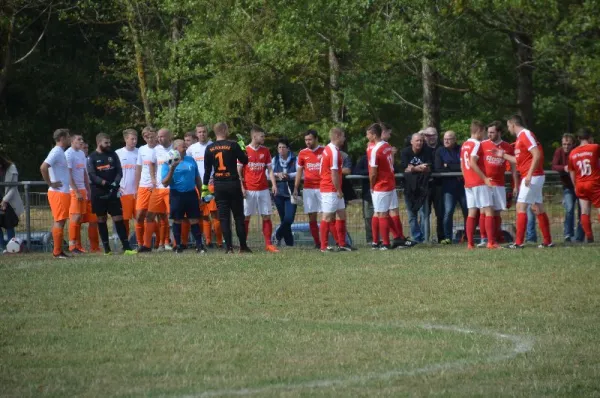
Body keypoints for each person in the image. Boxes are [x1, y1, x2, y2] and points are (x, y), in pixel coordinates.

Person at [495, 115, 554, 248]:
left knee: (520, 207)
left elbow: (537, 154)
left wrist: (529, 174)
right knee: (537, 207)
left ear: (513, 124)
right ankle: (548, 241)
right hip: (533, 176)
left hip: (532, 176)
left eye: (508, 126)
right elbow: (519, 161)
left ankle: (518, 242)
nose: (508, 128)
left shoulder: (525, 134)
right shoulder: (520, 138)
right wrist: (503, 155)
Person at [203, 122, 251, 254]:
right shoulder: (233, 145)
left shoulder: (209, 148)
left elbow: (207, 171)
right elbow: (245, 160)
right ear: (224, 130)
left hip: (219, 185)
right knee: (238, 216)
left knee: (223, 217)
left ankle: (229, 247)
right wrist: (242, 147)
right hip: (233, 183)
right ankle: (243, 246)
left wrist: (204, 188)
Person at [366, 123, 414, 250]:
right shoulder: (387, 146)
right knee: (384, 212)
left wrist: (371, 185)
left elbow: (373, 172)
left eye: (368, 134)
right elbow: (390, 163)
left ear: (374, 135)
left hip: (381, 185)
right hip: (390, 183)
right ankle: (392, 239)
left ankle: (385, 243)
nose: (366, 136)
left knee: (381, 213)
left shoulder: (375, 149)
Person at [87, 133, 136, 255]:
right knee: (101, 219)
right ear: (99, 143)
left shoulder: (113, 154)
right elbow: (92, 175)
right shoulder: (92, 157)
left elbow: (120, 170)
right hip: (99, 192)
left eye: (109, 142)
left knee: (118, 218)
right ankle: (107, 250)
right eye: (106, 143)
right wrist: (104, 183)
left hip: (113, 191)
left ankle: (127, 248)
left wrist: (115, 182)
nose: (109, 145)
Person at [238, 126, 279, 253]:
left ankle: (268, 244)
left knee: (266, 216)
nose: (264, 138)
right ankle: (243, 245)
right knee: (246, 217)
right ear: (254, 136)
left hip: (263, 189)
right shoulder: (244, 151)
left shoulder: (265, 151)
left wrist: (274, 184)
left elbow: (270, 170)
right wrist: (242, 187)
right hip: (249, 189)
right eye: (262, 136)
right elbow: (238, 171)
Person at [161, 139, 206, 253]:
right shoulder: (168, 162)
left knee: (194, 220)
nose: (186, 149)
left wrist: (202, 194)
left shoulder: (190, 160)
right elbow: (165, 183)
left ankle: (199, 246)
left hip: (191, 194)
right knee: (177, 220)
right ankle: (178, 246)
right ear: (176, 149)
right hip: (177, 195)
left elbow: (197, 178)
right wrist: (172, 169)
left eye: (186, 147)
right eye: (183, 147)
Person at [479, 121, 518, 246]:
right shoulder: (482, 145)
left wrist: (515, 185)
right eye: (488, 132)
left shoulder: (507, 147)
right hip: (485, 183)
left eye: (492, 132)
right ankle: (485, 238)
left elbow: (513, 168)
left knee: (497, 211)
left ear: (499, 132)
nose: (489, 134)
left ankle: (496, 236)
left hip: (499, 183)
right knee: (485, 210)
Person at [460, 120, 497, 249]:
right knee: (488, 210)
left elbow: (462, 165)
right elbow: (472, 162)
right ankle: (491, 242)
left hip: (468, 183)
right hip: (478, 181)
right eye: (484, 132)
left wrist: (466, 179)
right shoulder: (477, 144)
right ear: (479, 131)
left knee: (471, 212)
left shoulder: (464, 144)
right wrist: (485, 178)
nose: (485, 135)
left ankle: (470, 243)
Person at [187, 123, 223, 248]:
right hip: (198, 186)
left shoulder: (213, 146)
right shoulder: (191, 149)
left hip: (212, 185)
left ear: (207, 133)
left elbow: (219, 164)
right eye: (199, 132)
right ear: (196, 134)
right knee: (203, 215)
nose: (202, 134)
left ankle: (219, 241)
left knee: (215, 214)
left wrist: (216, 177)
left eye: (204, 131)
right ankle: (207, 241)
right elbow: (188, 167)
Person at [319, 127, 352, 252]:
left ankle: (342, 243)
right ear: (337, 136)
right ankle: (323, 246)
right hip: (330, 188)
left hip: (332, 188)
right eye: (343, 136)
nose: (344, 139)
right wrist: (338, 190)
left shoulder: (329, 149)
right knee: (327, 216)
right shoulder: (332, 151)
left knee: (341, 214)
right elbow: (333, 173)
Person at [40, 128, 72, 259]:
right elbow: (43, 167)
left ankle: (59, 250)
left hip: (62, 192)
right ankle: (57, 252)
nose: (70, 139)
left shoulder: (60, 152)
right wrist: (50, 183)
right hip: (58, 193)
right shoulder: (56, 152)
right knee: (59, 221)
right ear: (62, 138)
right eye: (68, 136)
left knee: (61, 221)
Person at [434, 130, 467, 244]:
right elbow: (438, 168)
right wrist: (457, 169)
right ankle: (448, 237)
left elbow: (465, 165)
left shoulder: (461, 149)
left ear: (455, 139)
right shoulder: (440, 151)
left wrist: (448, 165)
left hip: (463, 187)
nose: (446, 141)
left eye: (449, 139)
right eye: (445, 139)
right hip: (448, 188)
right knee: (448, 212)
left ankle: (468, 236)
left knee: (467, 211)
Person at [568, 128, 600, 242]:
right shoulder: (595, 147)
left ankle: (589, 237)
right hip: (594, 182)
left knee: (584, 211)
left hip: (580, 184)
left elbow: (571, 172)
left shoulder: (573, 152)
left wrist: (575, 185)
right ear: (590, 137)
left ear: (578, 139)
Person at [293, 130, 324, 248]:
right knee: (312, 216)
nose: (307, 142)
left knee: (326, 215)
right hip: (308, 189)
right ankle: (318, 243)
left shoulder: (324, 151)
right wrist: (296, 188)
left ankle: (330, 242)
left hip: (323, 188)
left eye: (310, 139)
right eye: (306, 140)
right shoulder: (302, 153)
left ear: (316, 139)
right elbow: (299, 172)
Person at [400, 132, 433, 243]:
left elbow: (428, 168)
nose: (420, 143)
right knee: (411, 214)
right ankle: (416, 237)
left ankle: (424, 238)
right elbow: (405, 168)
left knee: (425, 214)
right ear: (411, 142)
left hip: (423, 187)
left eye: (421, 141)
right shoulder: (405, 152)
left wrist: (413, 168)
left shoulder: (427, 151)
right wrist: (418, 168)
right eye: (417, 140)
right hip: (409, 188)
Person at [552, 133, 584, 243]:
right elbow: (554, 165)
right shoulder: (559, 151)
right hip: (567, 186)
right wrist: (564, 168)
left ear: (573, 144)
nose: (566, 147)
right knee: (569, 209)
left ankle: (580, 236)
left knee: (582, 211)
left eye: (568, 144)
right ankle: (568, 234)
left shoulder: (578, 152)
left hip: (580, 185)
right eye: (564, 144)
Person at [146, 128, 173, 251]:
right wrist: (153, 178)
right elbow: (151, 164)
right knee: (151, 215)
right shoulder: (156, 150)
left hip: (171, 188)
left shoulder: (175, 149)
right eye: (159, 136)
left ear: (169, 137)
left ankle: (170, 243)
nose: (159, 139)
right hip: (158, 189)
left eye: (162, 136)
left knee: (171, 217)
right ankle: (148, 245)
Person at [65, 133, 91, 254]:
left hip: (82, 189)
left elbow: (85, 173)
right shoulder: (69, 154)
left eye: (82, 139)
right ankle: (72, 245)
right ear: (72, 141)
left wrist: (87, 189)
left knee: (80, 218)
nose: (81, 141)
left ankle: (78, 245)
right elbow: (68, 174)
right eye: (78, 139)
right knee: (75, 217)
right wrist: (76, 190)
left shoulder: (81, 154)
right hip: (73, 190)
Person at [135, 127, 159, 252]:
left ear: (156, 136)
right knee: (139, 215)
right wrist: (136, 187)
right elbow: (138, 168)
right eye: (147, 137)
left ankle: (152, 243)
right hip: (143, 186)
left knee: (154, 216)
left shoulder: (160, 149)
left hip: (157, 187)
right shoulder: (141, 150)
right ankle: (139, 243)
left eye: (152, 136)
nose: (150, 139)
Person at [272, 138, 297, 246]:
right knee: (284, 220)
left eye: (283, 147)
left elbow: (301, 172)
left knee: (289, 218)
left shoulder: (295, 159)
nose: (281, 149)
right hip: (279, 192)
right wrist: (278, 174)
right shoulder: (275, 159)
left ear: (288, 149)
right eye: (279, 147)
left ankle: (277, 235)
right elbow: (268, 172)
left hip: (291, 193)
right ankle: (289, 244)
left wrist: (289, 175)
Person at [115, 129, 138, 241]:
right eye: (132, 139)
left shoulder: (140, 152)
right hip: (124, 192)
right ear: (125, 139)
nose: (134, 141)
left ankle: (141, 243)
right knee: (124, 219)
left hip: (138, 192)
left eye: (136, 139)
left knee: (140, 218)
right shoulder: (118, 153)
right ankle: (126, 242)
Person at [423, 126, 444, 243]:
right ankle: (424, 239)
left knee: (440, 213)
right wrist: (421, 132)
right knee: (424, 213)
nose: (431, 137)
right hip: (425, 185)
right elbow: (408, 141)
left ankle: (441, 237)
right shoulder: (422, 147)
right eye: (428, 135)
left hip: (439, 185)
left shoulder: (443, 146)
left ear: (437, 135)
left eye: (433, 135)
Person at [0, 155, 23, 252]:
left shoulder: (11, 168)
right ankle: (1, 247)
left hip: (9, 201)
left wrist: (4, 200)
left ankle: (11, 248)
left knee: (9, 224)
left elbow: (14, 187)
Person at [81, 142, 100, 252]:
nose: (86, 149)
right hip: (79, 192)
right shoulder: (72, 157)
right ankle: (76, 246)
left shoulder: (90, 159)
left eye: (87, 147)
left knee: (94, 220)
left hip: (91, 191)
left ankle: (95, 247)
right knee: (77, 220)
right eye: (84, 147)